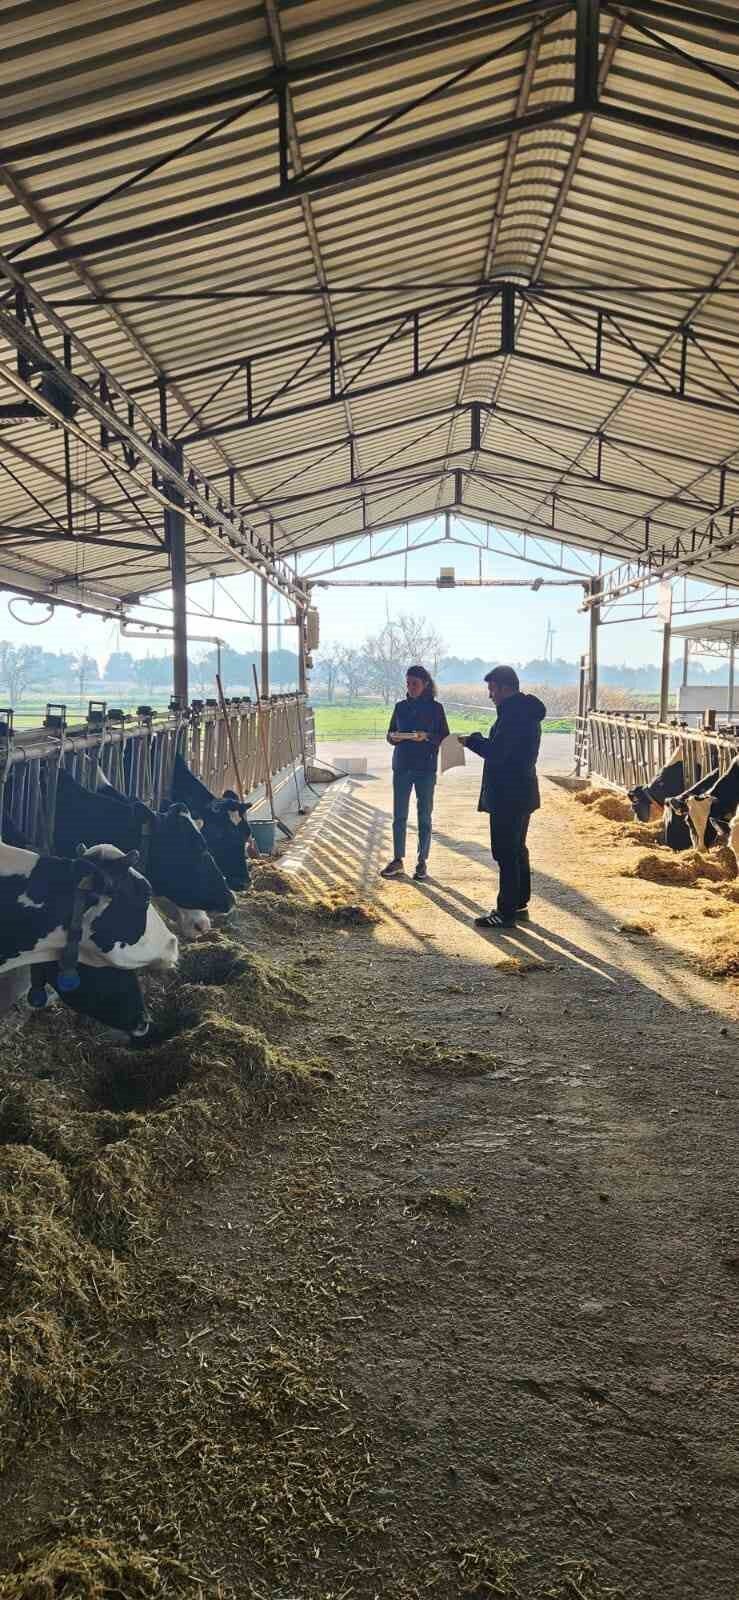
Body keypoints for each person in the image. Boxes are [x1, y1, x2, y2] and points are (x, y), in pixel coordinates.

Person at [458, 665, 546, 929]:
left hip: (508, 794)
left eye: (492, 689)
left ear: (506, 688)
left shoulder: (513, 716)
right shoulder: (526, 712)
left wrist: (472, 740)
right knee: (517, 849)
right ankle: (518, 904)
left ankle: (505, 912)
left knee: (505, 852)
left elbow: (497, 752)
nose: (490, 695)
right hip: (523, 791)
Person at [380, 665, 449, 882]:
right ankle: (397, 859)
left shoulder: (436, 709)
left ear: (425, 684)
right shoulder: (400, 707)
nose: (410, 687)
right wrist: (393, 737)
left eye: (415, 684)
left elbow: (444, 737)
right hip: (402, 766)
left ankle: (422, 862)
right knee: (399, 815)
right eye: (408, 683)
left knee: (424, 816)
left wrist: (426, 736)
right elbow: (390, 734)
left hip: (426, 768)